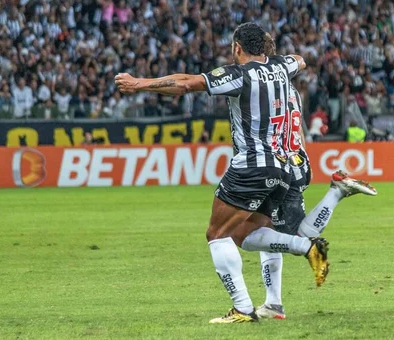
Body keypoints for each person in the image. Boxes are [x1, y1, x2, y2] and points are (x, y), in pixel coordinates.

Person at [115, 23, 330, 324]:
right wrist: (274, 54)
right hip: (283, 168)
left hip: (252, 164)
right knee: (248, 235)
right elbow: (300, 59)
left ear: (237, 48)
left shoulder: (239, 74)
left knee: (217, 234)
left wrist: (139, 83)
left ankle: (243, 308)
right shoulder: (283, 67)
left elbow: (186, 83)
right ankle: (303, 248)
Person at [252, 34, 377, 320]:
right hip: (295, 158)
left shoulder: (261, 85)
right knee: (267, 230)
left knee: (293, 236)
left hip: (276, 166)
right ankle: (273, 303)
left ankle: (337, 191)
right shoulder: (290, 88)